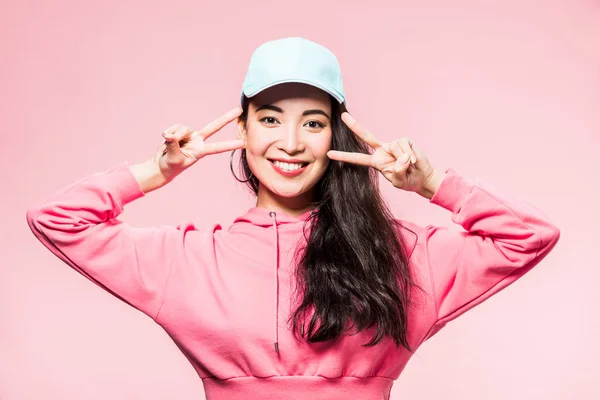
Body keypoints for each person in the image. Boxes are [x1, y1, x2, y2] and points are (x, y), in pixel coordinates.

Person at [26, 37, 560, 399]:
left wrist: (430, 182)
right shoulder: (189, 259)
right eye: (270, 118)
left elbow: (529, 235)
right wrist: (157, 170)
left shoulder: (398, 253)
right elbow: (57, 220)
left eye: (313, 122)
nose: (289, 142)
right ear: (243, 128)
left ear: (337, 137)